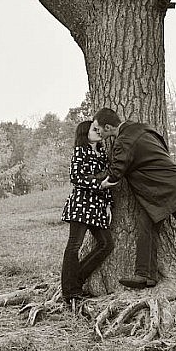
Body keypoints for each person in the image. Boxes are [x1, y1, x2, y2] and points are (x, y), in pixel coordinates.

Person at [94, 107, 176, 297]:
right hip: (159, 191)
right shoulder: (143, 128)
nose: (98, 133)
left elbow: (115, 175)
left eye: (99, 130)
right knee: (145, 227)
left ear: (108, 127)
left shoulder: (123, 140)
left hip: (170, 189)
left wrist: (95, 183)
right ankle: (145, 275)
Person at [61, 120, 115, 308]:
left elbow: (108, 179)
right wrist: (97, 185)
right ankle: (70, 291)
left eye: (99, 128)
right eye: (94, 129)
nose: (98, 131)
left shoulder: (102, 154)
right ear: (85, 132)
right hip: (81, 204)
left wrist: (108, 204)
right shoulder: (80, 151)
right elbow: (75, 177)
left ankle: (76, 280)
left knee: (107, 244)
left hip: (98, 207)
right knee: (74, 246)